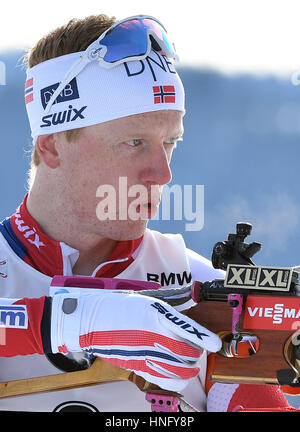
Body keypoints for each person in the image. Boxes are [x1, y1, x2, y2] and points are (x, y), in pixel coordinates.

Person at [0, 14, 296, 412]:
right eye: (135, 142)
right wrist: (72, 321)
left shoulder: (203, 290)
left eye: (170, 142)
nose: (163, 173)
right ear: (52, 146)